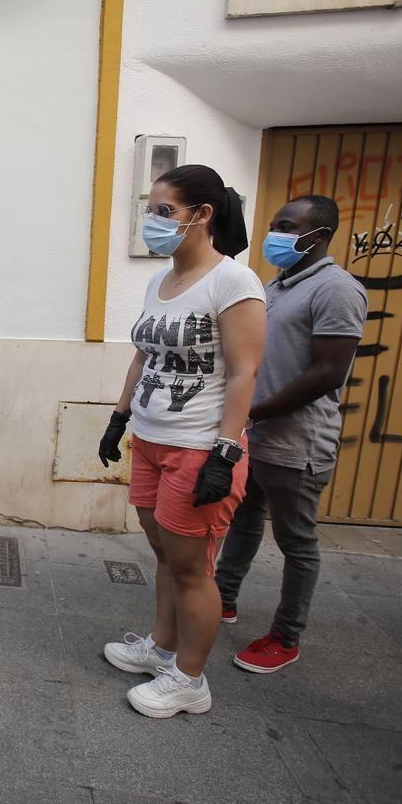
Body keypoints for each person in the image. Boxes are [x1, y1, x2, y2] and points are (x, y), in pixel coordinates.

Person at [97, 164, 266, 719]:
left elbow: (244, 373)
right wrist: (119, 418)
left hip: (199, 448)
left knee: (193, 568)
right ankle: (162, 650)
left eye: (164, 211)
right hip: (150, 438)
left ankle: (190, 680)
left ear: (202, 216)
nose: (153, 221)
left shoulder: (233, 282)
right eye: (151, 209)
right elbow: (145, 354)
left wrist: (226, 450)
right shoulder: (159, 281)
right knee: (166, 555)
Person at [212, 195, 367, 674]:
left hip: (296, 441)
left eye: (287, 225)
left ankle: (286, 635)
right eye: (275, 223)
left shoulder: (337, 289)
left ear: (317, 235)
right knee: (244, 518)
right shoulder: (277, 286)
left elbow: (328, 373)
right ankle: (223, 598)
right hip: (254, 434)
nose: (274, 233)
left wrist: (253, 411)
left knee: (297, 542)